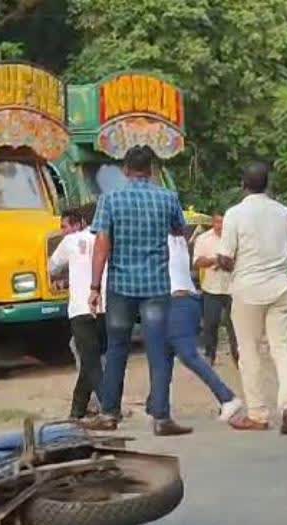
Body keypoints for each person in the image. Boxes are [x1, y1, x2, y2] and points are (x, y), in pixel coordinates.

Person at [87, 145, 191, 437]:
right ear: (152, 169)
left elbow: (102, 245)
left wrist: (95, 286)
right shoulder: (168, 198)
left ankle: (109, 413)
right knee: (158, 351)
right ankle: (161, 417)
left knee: (117, 348)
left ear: (125, 169)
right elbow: (179, 231)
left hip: (120, 285)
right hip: (156, 286)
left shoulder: (111, 199)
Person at [216, 162, 287, 435]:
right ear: (268, 184)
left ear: (243, 185)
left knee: (249, 351)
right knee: (283, 348)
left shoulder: (235, 214)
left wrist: (232, 264)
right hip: (280, 287)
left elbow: (226, 258)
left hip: (247, 290)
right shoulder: (284, 212)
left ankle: (258, 414)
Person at [152, 233, 245, 423]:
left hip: (178, 301)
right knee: (162, 356)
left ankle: (227, 397)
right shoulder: (174, 239)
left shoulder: (161, 239)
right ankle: (157, 408)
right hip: (179, 300)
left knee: (187, 354)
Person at [48, 203, 105, 421]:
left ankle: (108, 407)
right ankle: (78, 409)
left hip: (81, 308)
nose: (63, 231)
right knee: (92, 359)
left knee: (90, 362)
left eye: (65, 226)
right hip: (104, 307)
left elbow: (52, 266)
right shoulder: (106, 240)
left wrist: (65, 277)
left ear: (80, 222)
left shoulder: (70, 241)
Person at [192, 214, 239, 365]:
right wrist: (215, 260)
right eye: (218, 221)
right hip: (211, 288)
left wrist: (225, 263)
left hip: (233, 287)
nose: (221, 225)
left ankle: (238, 356)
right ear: (213, 222)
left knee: (235, 325)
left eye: (224, 222)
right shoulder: (203, 239)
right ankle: (210, 355)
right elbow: (197, 262)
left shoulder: (235, 237)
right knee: (210, 324)